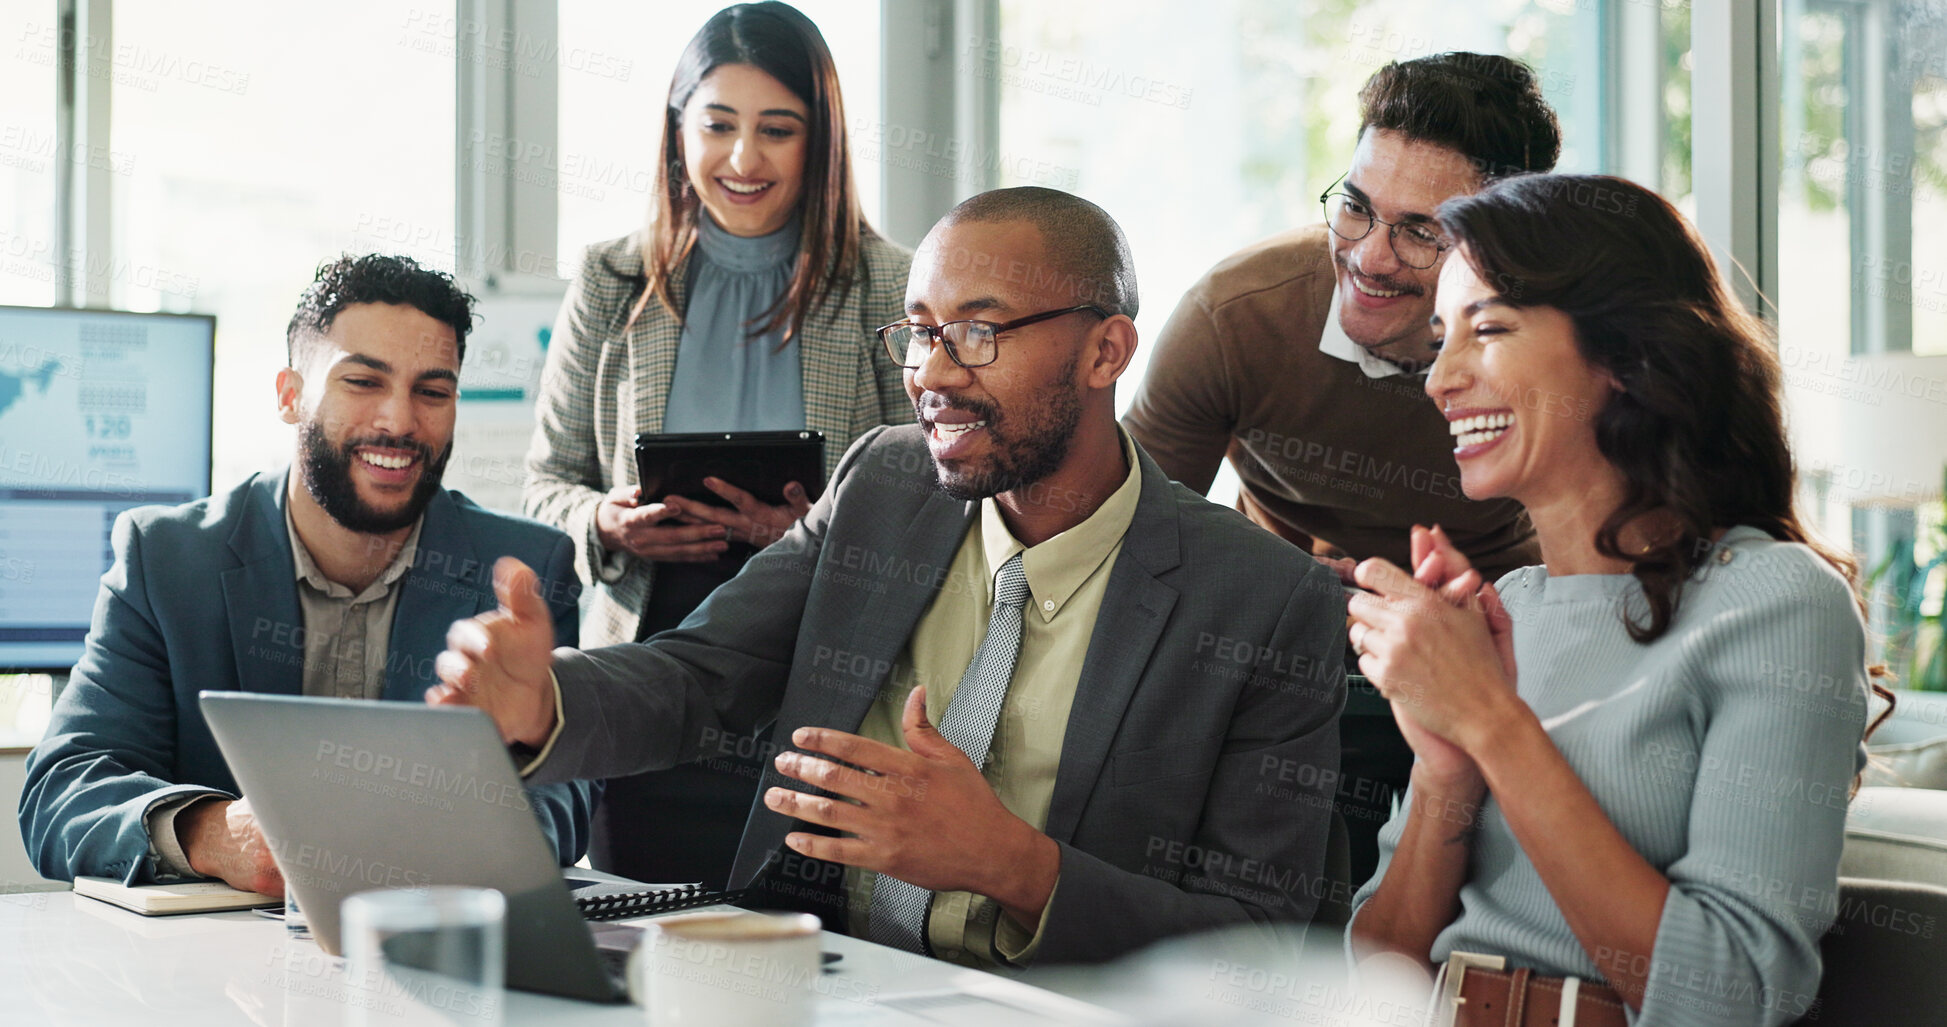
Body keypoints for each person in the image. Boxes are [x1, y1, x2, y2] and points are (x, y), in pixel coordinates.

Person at [434, 187, 1347, 968]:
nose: (932, 374)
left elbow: (1259, 943)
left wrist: (1011, 863)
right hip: (827, 979)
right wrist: (543, 703)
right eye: (917, 334)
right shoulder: (884, 480)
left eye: (977, 332)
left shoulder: (1262, 600)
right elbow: (700, 676)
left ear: (1105, 351)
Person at [1344, 174, 1889, 1025]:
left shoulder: (1776, 601)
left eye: (1486, 329)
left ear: (1627, 358)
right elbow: (1375, 965)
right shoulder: (1505, 612)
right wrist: (1446, 763)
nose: (1437, 378)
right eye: (1438, 338)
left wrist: (1491, 721)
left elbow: (1731, 998)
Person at [19, 255, 594, 893]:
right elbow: (63, 790)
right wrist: (214, 835)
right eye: (363, 382)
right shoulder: (166, 560)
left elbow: (563, 797)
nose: (399, 422)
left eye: (432, 391)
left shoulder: (521, 571)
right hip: (208, 971)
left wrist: (454, 849)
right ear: (291, 397)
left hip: (431, 947)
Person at [1123, 52, 1561, 884]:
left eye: (1419, 230)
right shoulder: (1237, 314)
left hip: (1503, 656)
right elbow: (1130, 540)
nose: (1369, 255)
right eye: (1355, 208)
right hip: (1287, 644)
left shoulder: (1557, 350)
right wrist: (1274, 587)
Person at [523, 1, 910, 886]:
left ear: (822, 142)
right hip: (647, 674)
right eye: (718, 125)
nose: (743, 159)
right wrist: (608, 522)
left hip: (818, 683)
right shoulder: (613, 278)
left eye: (778, 129)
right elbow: (546, 482)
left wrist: (814, 537)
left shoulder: (888, 283)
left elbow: (936, 502)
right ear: (677, 130)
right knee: (645, 935)